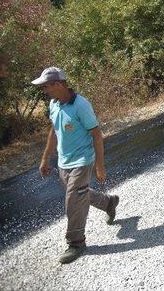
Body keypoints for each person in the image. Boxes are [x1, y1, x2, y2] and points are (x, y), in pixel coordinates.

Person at [32, 67, 119, 264]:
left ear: (59, 84)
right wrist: (45, 158)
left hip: (82, 160)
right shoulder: (54, 104)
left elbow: (97, 134)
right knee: (79, 194)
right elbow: (54, 132)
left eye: (46, 86)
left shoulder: (81, 105)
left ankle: (76, 243)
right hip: (64, 162)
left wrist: (100, 165)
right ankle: (108, 203)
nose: (44, 90)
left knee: (73, 199)